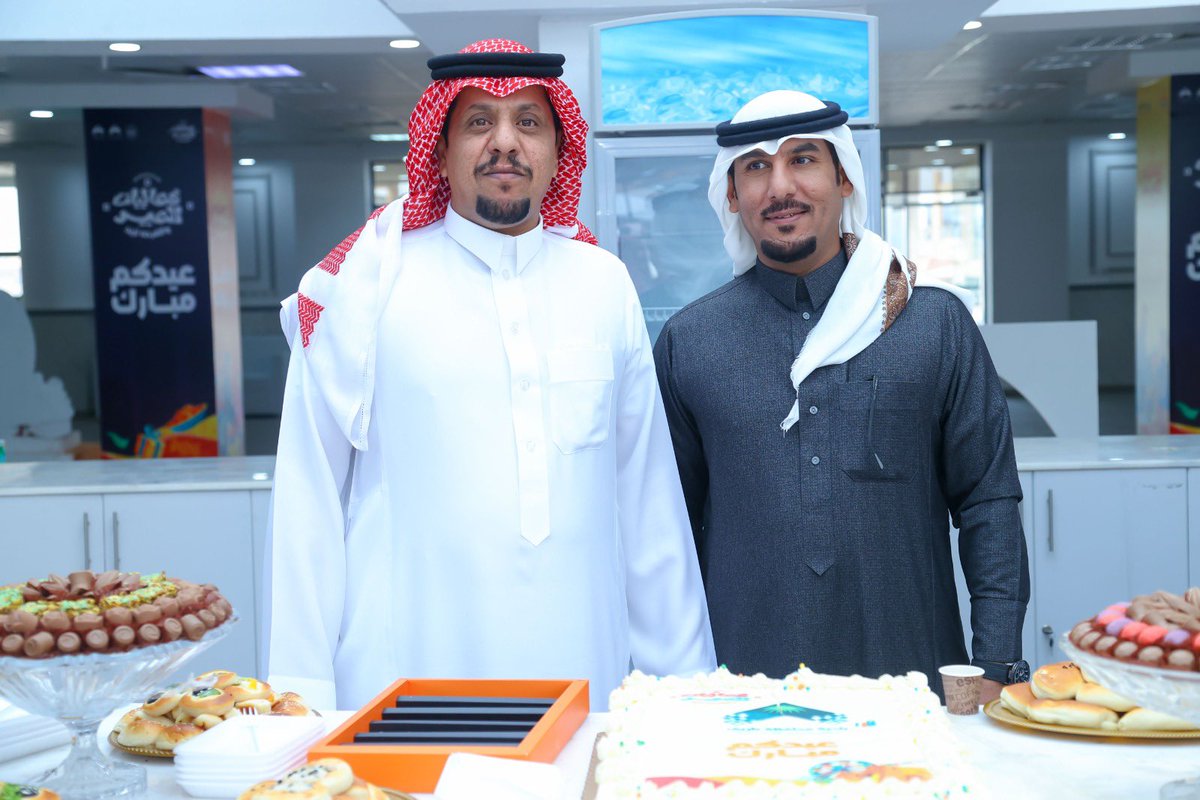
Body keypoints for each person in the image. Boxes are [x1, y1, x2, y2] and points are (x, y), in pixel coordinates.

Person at [265, 39, 715, 711]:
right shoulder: (365, 285)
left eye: (528, 122)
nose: (504, 142)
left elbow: (648, 504)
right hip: (404, 683)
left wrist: (682, 694)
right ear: (441, 148)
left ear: (559, 151)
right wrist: (298, 697)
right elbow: (308, 500)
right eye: (479, 121)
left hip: (580, 677)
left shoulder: (603, 283)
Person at [652, 90, 1030, 702]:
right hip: (738, 692)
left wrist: (997, 662)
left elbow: (988, 501)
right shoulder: (689, 341)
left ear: (845, 177)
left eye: (803, 159)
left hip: (913, 686)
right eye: (756, 167)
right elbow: (668, 531)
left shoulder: (932, 322)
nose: (780, 187)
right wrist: (674, 678)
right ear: (732, 194)